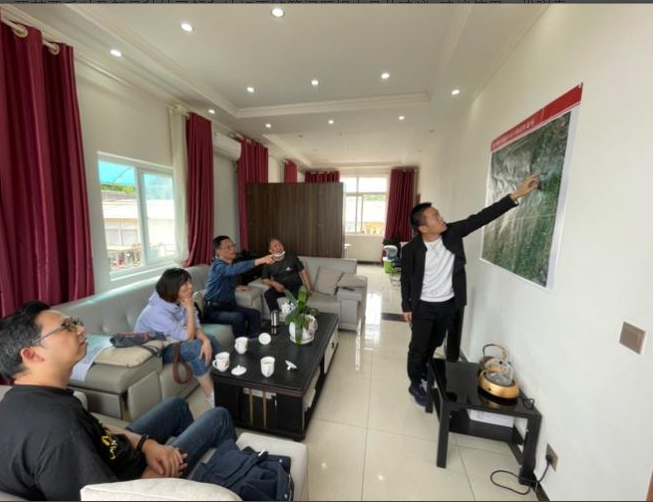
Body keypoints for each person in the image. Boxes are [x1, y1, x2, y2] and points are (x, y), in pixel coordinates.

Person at [0, 301, 237, 501]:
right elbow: (108, 497)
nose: (81, 329)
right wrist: (156, 476)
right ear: (31, 354)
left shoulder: (27, 397)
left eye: (74, 322)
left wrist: (146, 444)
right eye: (66, 327)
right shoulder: (58, 431)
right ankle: (226, 480)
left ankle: (200, 474)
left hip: (116, 456)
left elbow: (94, 425)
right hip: (134, 483)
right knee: (219, 417)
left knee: (176, 406)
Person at [401, 173, 539, 407]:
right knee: (418, 347)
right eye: (436, 217)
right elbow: (406, 278)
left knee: (435, 342)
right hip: (423, 306)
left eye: (439, 214)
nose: (442, 218)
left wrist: (516, 194)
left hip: (448, 304)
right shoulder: (411, 250)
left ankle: (425, 367)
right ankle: (415, 383)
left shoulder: (453, 233)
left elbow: (482, 217)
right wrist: (406, 306)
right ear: (423, 228)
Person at [134, 268, 221, 406]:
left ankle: (230, 381)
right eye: (185, 284)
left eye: (190, 282)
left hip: (172, 340)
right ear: (172, 287)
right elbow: (188, 338)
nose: (191, 287)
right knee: (196, 347)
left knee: (210, 339)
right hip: (156, 351)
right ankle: (212, 398)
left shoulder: (179, 299)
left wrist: (206, 340)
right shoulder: (156, 312)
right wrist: (190, 309)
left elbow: (195, 324)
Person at [203, 236, 274, 338]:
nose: (233, 249)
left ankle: (252, 341)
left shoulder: (227, 265)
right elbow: (230, 270)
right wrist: (260, 260)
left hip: (229, 306)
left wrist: (234, 287)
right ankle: (242, 344)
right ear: (218, 251)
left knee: (255, 314)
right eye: (228, 247)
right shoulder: (217, 266)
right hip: (215, 309)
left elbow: (224, 277)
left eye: (233, 245)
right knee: (237, 317)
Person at [261, 238, 311, 312]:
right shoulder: (268, 262)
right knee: (268, 294)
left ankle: (292, 316)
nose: (279, 247)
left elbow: (302, 271)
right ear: (271, 251)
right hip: (281, 288)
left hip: (295, 287)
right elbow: (264, 279)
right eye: (275, 246)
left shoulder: (291, 256)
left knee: (293, 303)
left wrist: (308, 288)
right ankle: (276, 316)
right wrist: (274, 283)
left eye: (280, 244)